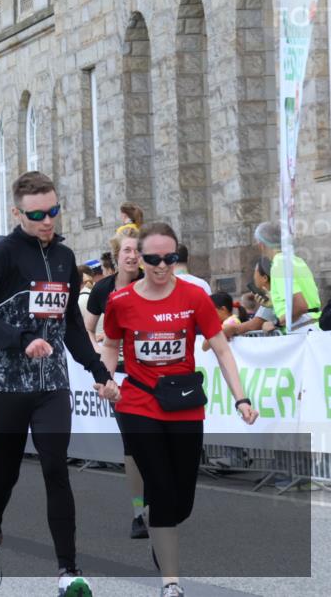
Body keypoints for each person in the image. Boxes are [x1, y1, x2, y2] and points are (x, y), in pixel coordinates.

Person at [0, 171, 113, 594]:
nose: (48, 221)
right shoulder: (1, 255)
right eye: (38, 214)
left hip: (52, 386)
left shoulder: (66, 259)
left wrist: (99, 372)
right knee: (5, 473)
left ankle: (68, 571)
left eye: (53, 211)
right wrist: (21, 340)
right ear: (17, 212)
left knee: (55, 468)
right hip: (8, 385)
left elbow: (71, 325)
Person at [96, 222, 258, 597]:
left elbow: (220, 349)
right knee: (162, 490)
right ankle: (171, 583)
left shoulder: (194, 296)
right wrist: (107, 378)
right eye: (153, 258)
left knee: (182, 499)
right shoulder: (121, 301)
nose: (161, 266)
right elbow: (109, 345)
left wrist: (241, 397)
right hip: (137, 403)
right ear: (139, 258)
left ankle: (159, 519)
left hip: (184, 404)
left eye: (169, 258)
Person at [84, 226, 148, 539]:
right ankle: (140, 512)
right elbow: (87, 329)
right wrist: (100, 362)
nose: (133, 256)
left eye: (138, 251)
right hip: (121, 376)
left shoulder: (154, 284)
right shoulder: (102, 290)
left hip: (156, 375)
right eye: (127, 251)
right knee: (134, 445)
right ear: (117, 255)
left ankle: (160, 498)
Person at [254, 221, 322, 333]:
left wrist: (275, 323)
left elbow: (300, 306)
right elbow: (307, 299)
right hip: (313, 326)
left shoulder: (279, 264)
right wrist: (273, 304)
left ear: (261, 245)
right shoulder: (296, 260)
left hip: (301, 330)